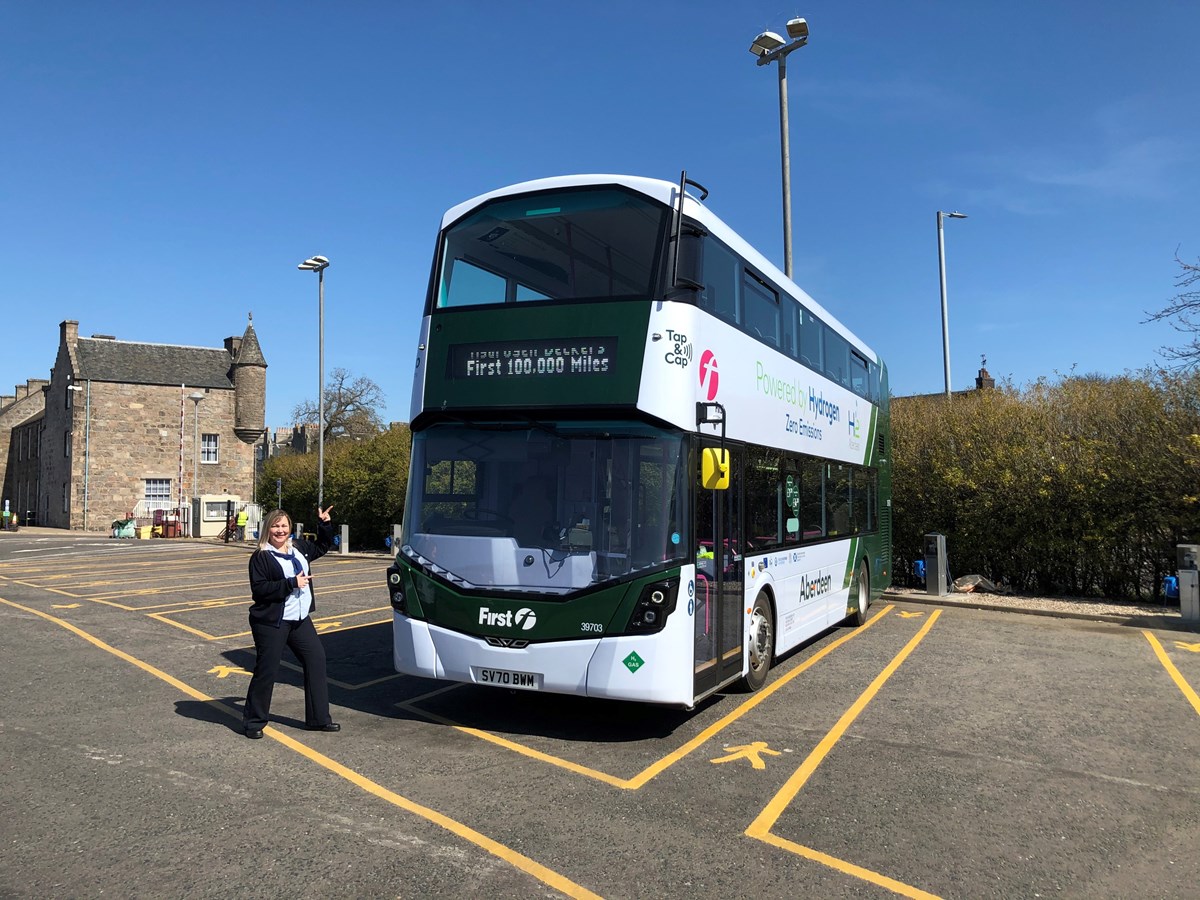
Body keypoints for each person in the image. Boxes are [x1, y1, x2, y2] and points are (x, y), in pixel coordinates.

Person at [242, 505, 340, 739]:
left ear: (290, 528)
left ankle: (318, 719)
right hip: (272, 622)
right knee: (267, 670)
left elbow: (323, 546)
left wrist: (325, 525)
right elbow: (260, 590)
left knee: (316, 659)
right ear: (268, 528)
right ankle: (253, 722)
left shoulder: (298, 549)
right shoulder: (261, 556)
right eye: (275, 526)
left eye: (284, 526)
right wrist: (291, 583)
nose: (280, 530)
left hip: (299, 619)